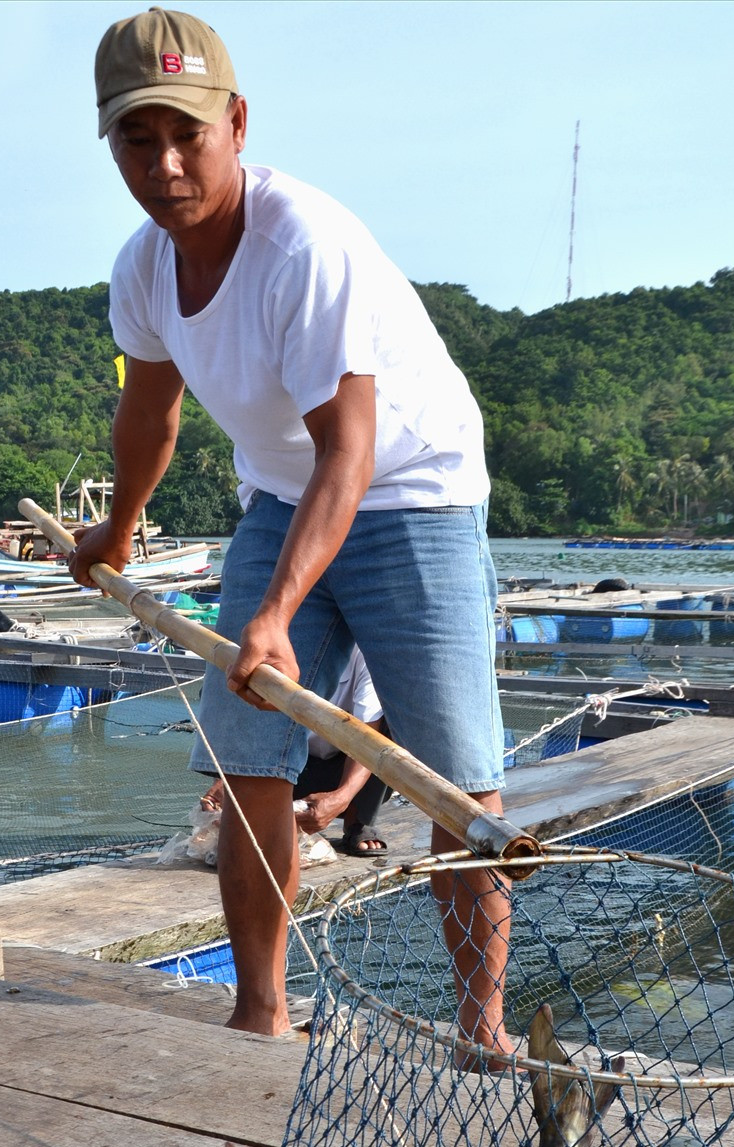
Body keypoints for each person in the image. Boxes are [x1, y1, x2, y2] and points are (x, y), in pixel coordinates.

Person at [72, 7, 512, 1067]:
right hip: (279, 500)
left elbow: (349, 454)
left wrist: (272, 617)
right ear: (112, 142)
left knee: (458, 782)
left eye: (189, 134)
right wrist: (118, 531)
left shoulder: (301, 243)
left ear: (236, 122)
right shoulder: (142, 267)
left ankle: (483, 1032)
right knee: (250, 758)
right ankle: (260, 1013)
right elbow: (150, 414)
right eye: (139, 139)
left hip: (414, 494)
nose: (167, 164)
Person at [202, 645, 391, 856]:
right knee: (223, 688)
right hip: (282, 760)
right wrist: (230, 776)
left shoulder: (367, 655)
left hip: (342, 766)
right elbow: (247, 719)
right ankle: (237, 806)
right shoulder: (282, 643)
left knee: (391, 723)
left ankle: (358, 821)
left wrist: (342, 797)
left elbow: (367, 738)